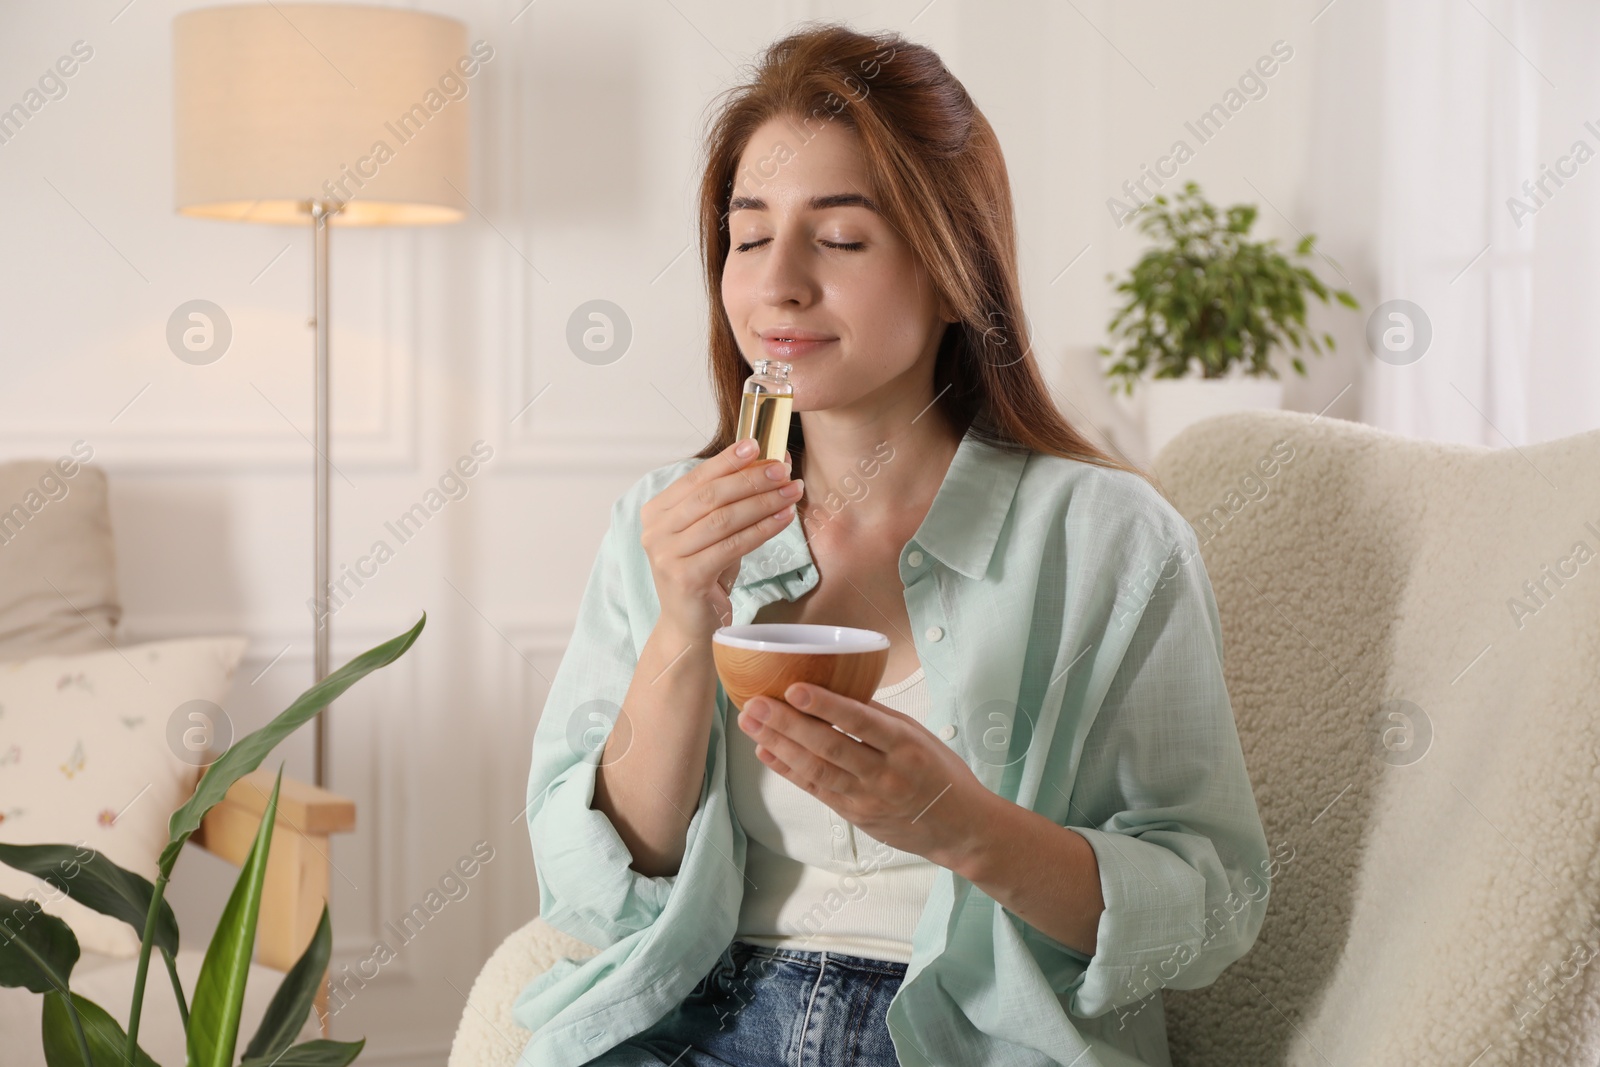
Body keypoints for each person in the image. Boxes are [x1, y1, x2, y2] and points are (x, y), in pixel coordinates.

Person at [515, 22, 1271, 1067]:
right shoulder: (666, 519)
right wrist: (683, 624)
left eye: (839, 238)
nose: (776, 283)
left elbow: (1209, 900)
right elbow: (599, 888)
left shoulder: (1106, 537)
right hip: (700, 1017)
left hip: (972, 1035)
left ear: (958, 272)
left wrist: (963, 825)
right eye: (746, 236)